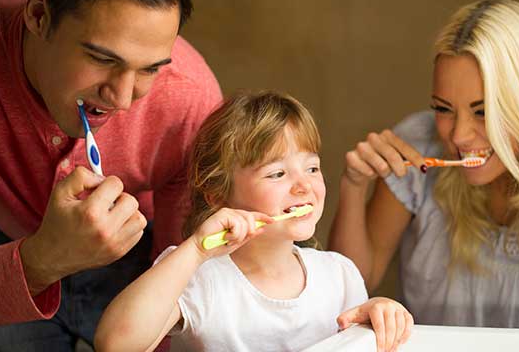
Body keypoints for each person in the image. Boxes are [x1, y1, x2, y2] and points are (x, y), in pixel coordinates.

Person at [330, 0, 519, 329]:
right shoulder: (416, 149)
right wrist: (353, 185)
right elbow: (349, 289)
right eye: (443, 109)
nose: (459, 136)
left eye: (483, 112)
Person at [0, 0, 221, 349]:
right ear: (39, 15)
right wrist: (41, 260)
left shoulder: (191, 101)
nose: (122, 99)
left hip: (143, 255)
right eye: (101, 58)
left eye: (150, 68)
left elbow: (182, 284)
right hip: (2, 244)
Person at [94, 91, 414, 352]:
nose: (304, 186)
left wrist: (380, 311)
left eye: (312, 168)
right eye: (277, 173)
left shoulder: (340, 275)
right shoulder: (196, 276)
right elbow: (115, 344)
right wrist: (194, 251)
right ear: (218, 195)